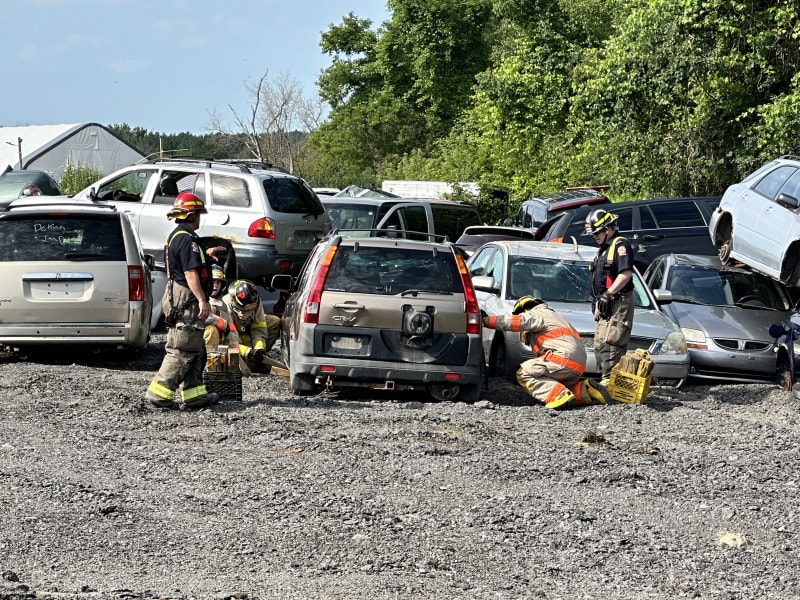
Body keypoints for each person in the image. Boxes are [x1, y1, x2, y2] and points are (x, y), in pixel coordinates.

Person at [145, 192, 226, 410]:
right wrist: (202, 300)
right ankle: (158, 395)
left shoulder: (178, 236)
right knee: (181, 349)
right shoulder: (186, 239)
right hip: (187, 300)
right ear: (191, 214)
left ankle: (194, 395)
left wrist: (206, 255)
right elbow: (190, 273)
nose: (200, 218)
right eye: (198, 213)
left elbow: (184, 263)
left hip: (178, 297)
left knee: (196, 349)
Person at [482, 296, 606, 409]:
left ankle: (558, 396)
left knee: (524, 373)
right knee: (558, 384)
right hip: (577, 364)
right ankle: (586, 391)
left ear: (524, 309)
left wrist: (485, 321)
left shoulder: (536, 314)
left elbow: (512, 322)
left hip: (562, 359)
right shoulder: (556, 317)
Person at [586, 208, 635, 385]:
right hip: (605, 304)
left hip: (617, 302)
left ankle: (612, 387)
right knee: (600, 345)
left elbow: (626, 274)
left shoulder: (620, 245)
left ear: (608, 229)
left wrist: (608, 293)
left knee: (612, 344)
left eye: (597, 232)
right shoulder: (604, 249)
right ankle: (606, 383)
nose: (595, 236)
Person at [223, 279, 281, 374]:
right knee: (249, 365)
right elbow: (228, 341)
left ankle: (260, 357)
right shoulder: (225, 306)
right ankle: (252, 362)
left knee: (274, 321)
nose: (250, 311)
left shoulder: (255, 301)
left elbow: (259, 327)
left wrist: (259, 349)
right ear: (236, 304)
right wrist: (247, 351)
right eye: (246, 309)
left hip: (247, 331)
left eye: (252, 308)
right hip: (234, 338)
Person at [203, 264, 237, 348]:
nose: (215, 285)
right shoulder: (200, 300)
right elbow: (199, 318)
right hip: (199, 345)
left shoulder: (223, 305)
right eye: (213, 281)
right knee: (211, 330)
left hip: (218, 347)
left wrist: (235, 351)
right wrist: (220, 322)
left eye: (218, 282)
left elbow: (231, 331)